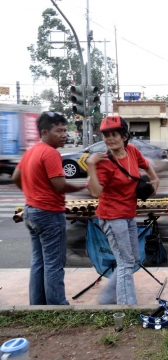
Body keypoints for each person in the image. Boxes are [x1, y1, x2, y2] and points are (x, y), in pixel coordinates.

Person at [12, 111, 86, 305]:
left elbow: (15, 177)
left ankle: (37, 305)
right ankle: (57, 306)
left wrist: (31, 193)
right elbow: (60, 185)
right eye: (58, 130)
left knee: (39, 262)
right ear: (44, 132)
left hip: (31, 211)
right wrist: (82, 187)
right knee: (54, 263)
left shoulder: (31, 150)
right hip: (49, 214)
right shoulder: (51, 153)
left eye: (64, 130)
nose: (64, 134)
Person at [86, 115, 159, 305]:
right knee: (125, 262)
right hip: (112, 217)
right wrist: (91, 166)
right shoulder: (103, 162)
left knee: (133, 260)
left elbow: (145, 165)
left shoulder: (132, 151)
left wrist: (155, 179)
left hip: (128, 214)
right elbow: (95, 192)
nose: (110, 139)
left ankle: (107, 296)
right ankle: (127, 306)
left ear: (125, 136)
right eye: (106, 135)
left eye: (114, 134)